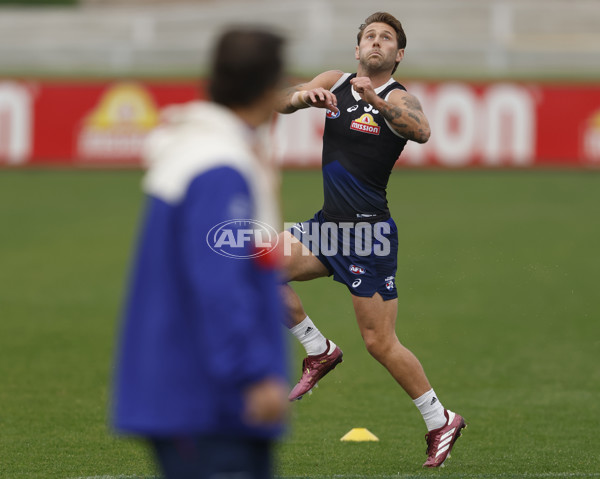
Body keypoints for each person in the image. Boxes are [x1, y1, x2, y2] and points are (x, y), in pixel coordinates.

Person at [275, 12, 466, 468]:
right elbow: (278, 102)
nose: (376, 43)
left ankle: (441, 419)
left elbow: (420, 131)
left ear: (398, 55)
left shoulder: (400, 97)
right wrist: (304, 97)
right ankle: (318, 349)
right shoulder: (335, 81)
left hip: (368, 236)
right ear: (358, 49)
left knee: (380, 343)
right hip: (327, 227)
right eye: (369, 37)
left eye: (386, 39)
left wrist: (377, 102)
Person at [112, 27, 289, 479]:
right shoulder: (220, 168)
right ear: (270, 88)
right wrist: (251, 373)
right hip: (209, 403)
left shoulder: (198, 150)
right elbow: (219, 282)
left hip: (192, 395)